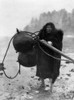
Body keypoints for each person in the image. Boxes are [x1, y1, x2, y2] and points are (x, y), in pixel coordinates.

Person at [35, 22, 63, 92]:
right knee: (41, 70)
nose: (48, 29)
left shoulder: (56, 35)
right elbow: (37, 43)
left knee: (52, 71)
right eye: (47, 27)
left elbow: (59, 44)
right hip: (43, 56)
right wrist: (39, 41)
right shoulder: (42, 34)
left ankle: (51, 87)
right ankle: (42, 84)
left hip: (52, 57)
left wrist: (52, 43)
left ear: (52, 28)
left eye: (50, 27)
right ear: (45, 28)